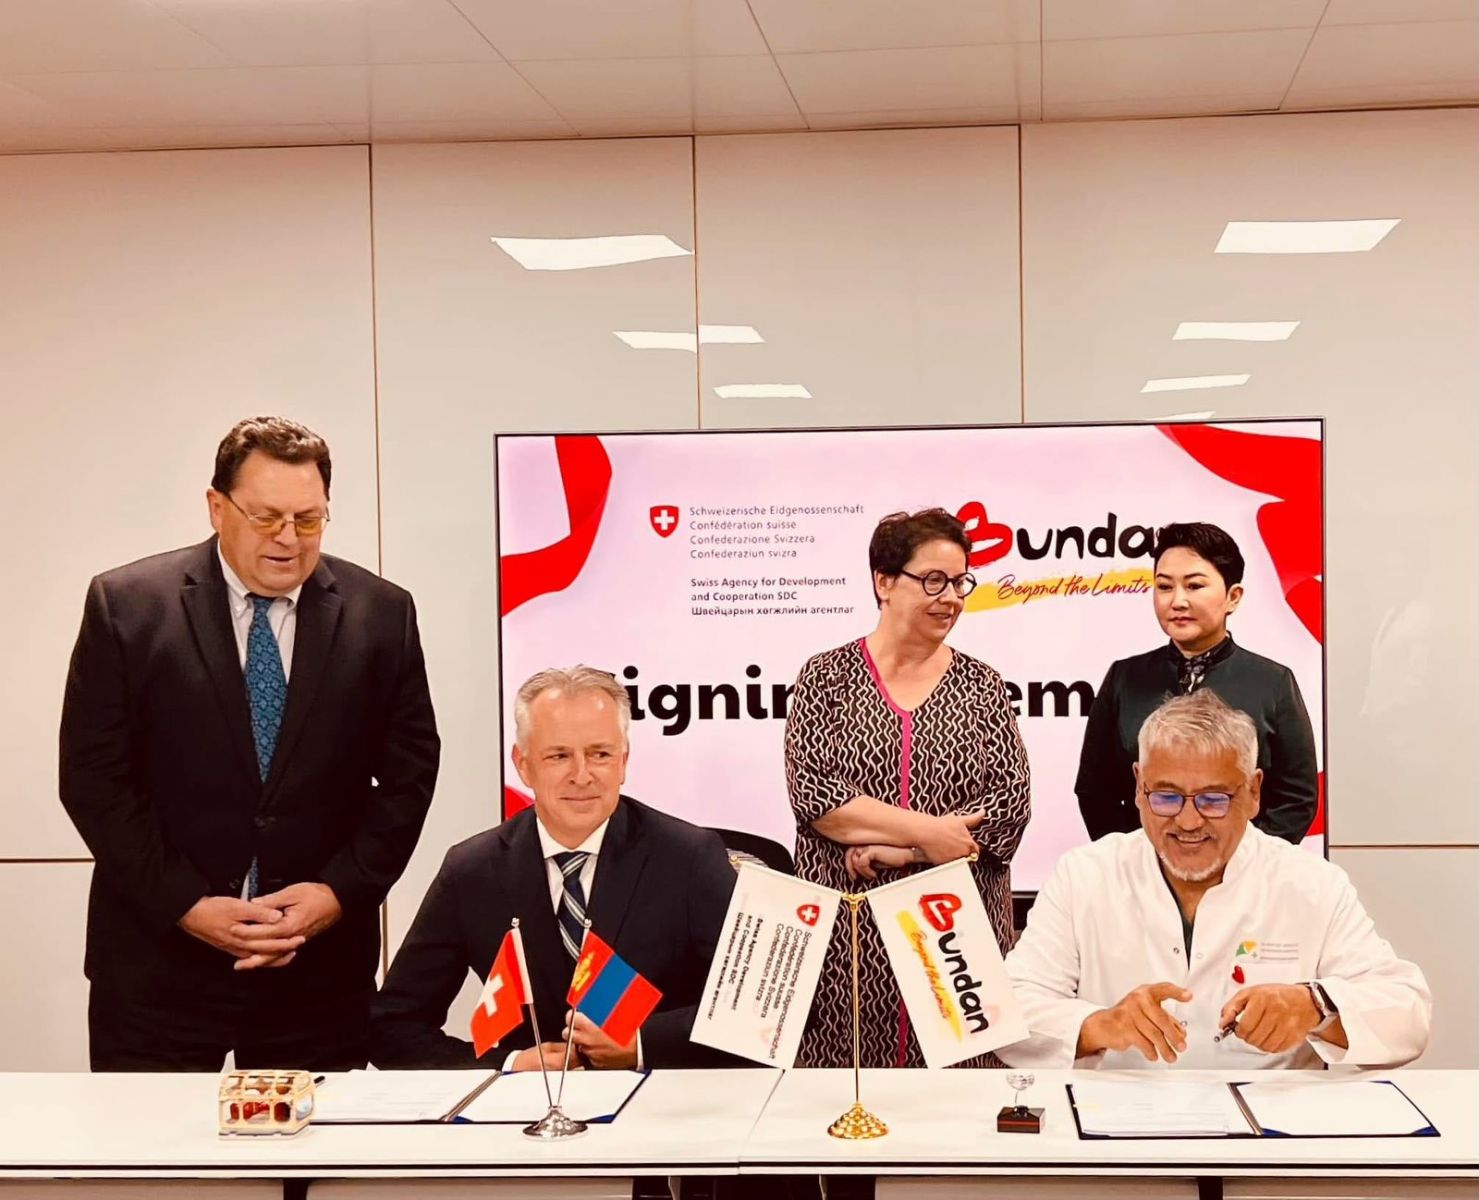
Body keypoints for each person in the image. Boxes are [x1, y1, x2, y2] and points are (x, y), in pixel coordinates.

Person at [59, 416, 440, 1071]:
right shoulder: (128, 607)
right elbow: (94, 778)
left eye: (308, 519)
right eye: (266, 517)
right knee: (154, 1141)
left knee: (316, 1143)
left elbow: (409, 777)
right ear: (217, 507)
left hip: (317, 973)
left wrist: (337, 892)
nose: (288, 539)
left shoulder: (381, 613)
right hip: (157, 969)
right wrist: (185, 904)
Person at [1002, 690, 1429, 1070]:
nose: (1188, 821)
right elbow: (1008, 1008)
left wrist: (1315, 1007)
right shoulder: (1084, 875)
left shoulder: (1312, 884)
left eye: (1213, 799)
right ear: (1138, 787)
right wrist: (1101, 1025)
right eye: (1166, 796)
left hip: (1268, 1127)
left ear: (1254, 792)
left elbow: (1407, 1015)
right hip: (1113, 1125)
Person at [371, 666, 737, 1070]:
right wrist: (509, 1065)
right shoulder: (473, 871)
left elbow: (760, 1016)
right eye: (559, 756)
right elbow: (392, 1027)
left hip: (664, 1098)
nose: (582, 776)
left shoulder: (689, 858)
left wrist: (640, 1045)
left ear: (624, 761)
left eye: (600, 754)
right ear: (523, 764)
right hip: (525, 1105)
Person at [785, 508, 1031, 1069]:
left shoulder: (982, 685)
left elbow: (1008, 805)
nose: (952, 598)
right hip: (850, 938)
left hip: (956, 938)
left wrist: (908, 852)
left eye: (961, 582)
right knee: (848, 1090)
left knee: (961, 1101)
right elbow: (817, 799)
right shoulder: (825, 678)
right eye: (934, 580)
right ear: (884, 582)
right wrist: (930, 832)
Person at [1076, 521, 1318, 843]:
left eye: (1194, 586)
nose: (1177, 601)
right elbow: (1095, 790)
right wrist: (1138, 858)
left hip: (1244, 867)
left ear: (1233, 597)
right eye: (1164, 586)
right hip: (1143, 866)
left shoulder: (1273, 682)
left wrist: (1242, 861)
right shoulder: (1125, 678)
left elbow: (1297, 798)